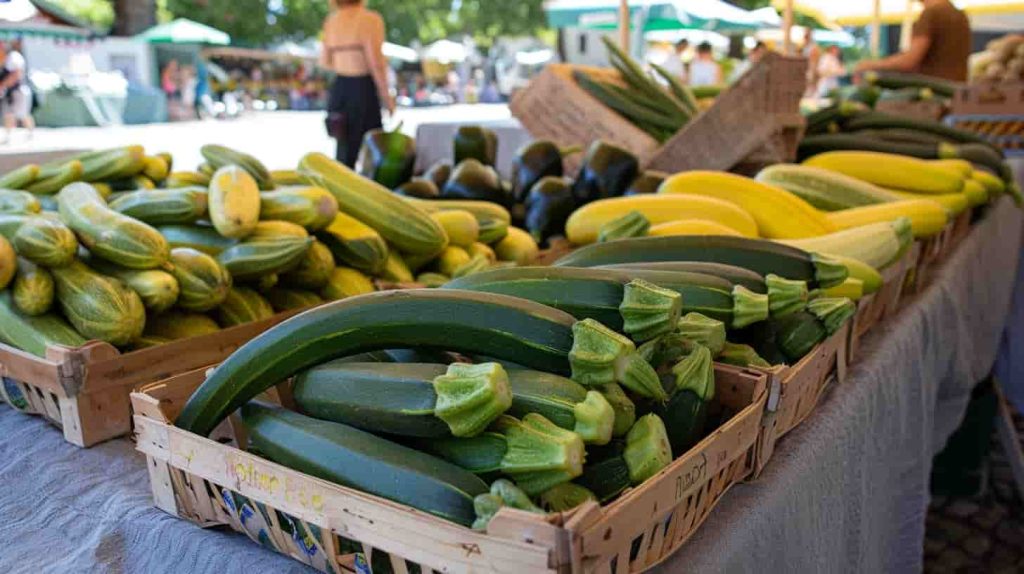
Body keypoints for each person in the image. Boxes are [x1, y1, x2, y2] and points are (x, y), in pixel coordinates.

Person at [320, 0, 395, 167]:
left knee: (344, 149)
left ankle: (342, 188)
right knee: (373, 149)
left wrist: (344, 60)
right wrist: (387, 96)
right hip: (363, 88)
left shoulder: (331, 21)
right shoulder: (370, 19)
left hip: (340, 87)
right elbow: (375, 63)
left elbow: (325, 61)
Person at [854, 0, 970, 82]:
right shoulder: (959, 14)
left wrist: (870, 65)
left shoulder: (931, 14)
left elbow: (909, 61)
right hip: (957, 93)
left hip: (933, 97)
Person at [0, 40, 34, 143]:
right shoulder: (4, 58)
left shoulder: (14, 56)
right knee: (8, 113)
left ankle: (30, 133)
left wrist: (2, 85)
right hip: (9, 91)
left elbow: (16, 74)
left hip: (20, 90)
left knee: (23, 114)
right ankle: (8, 136)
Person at [803, 29, 821, 97]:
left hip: (811, 69)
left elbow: (814, 60)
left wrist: (813, 71)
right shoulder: (806, 46)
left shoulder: (813, 47)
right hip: (807, 69)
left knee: (811, 88)